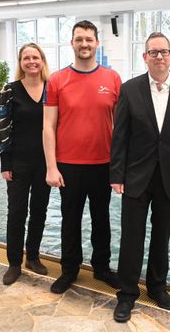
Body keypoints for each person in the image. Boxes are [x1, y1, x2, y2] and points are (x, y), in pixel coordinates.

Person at [110, 32, 170, 322]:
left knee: (161, 237)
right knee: (132, 238)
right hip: (136, 176)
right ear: (145, 57)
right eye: (153, 52)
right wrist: (116, 174)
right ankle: (127, 295)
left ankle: (156, 287)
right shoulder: (130, 89)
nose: (159, 56)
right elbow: (120, 137)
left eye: (164, 52)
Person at [43, 20, 121, 294]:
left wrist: (120, 168)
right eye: (79, 39)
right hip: (69, 165)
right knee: (70, 218)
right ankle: (69, 270)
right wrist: (51, 167)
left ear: (97, 43)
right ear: (72, 43)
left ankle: (101, 268)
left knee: (102, 219)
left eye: (89, 39)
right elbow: (48, 126)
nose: (84, 44)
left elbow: (121, 128)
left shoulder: (112, 79)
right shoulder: (56, 80)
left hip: (103, 164)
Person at [0, 42, 51, 285]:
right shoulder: (11, 89)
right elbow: (4, 128)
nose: (31, 61)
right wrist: (5, 163)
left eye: (35, 57)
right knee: (17, 212)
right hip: (18, 163)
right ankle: (14, 263)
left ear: (42, 61)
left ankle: (33, 256)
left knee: (39, 210)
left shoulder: (52, 89)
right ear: (20, 63)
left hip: (45, 162)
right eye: (26, 58)